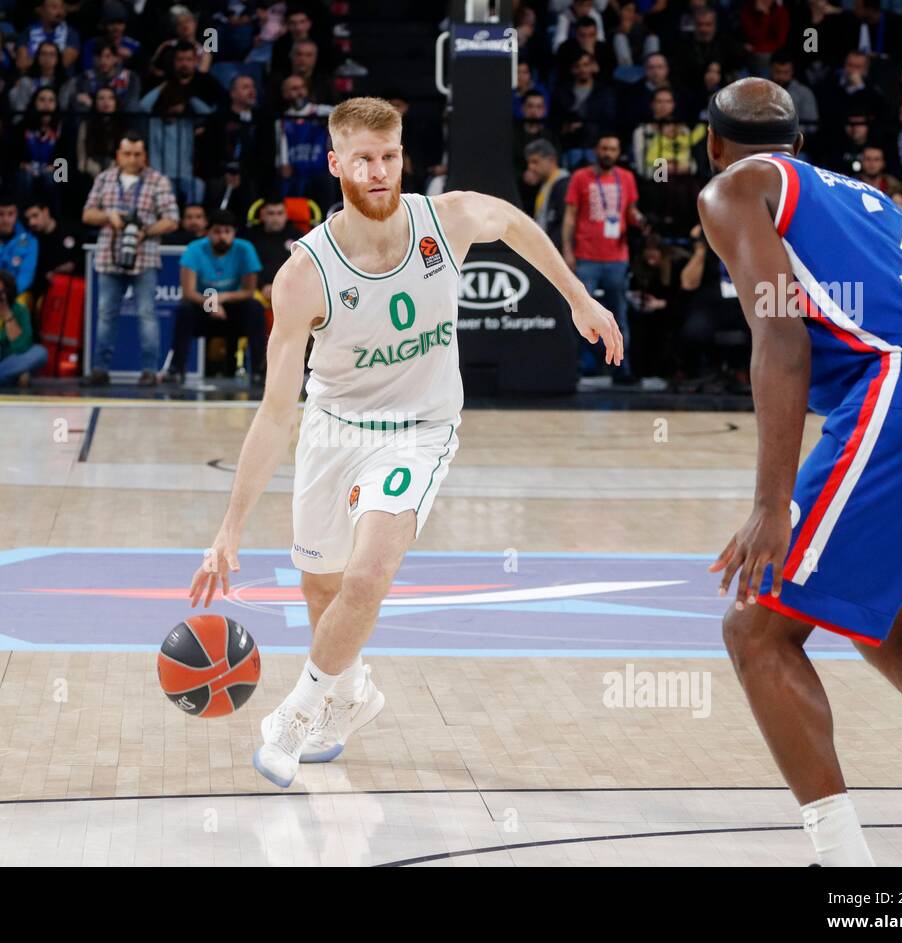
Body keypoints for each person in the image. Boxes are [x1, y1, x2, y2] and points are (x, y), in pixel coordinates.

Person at [185, 97, 620, 789]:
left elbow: (511, 222)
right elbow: (275, 413)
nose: (380, 171)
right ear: (335, 164)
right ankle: (351, 695)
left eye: (389, 157)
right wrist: (230, 526)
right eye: (363, 159)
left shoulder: (442, 220)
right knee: (323, 586)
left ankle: (293, 718)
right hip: (333, 429)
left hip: (420, 431)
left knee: (367, 576)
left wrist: (577, 297)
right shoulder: (304, 274)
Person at [696, 77, 902, 867]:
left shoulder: (735, 185)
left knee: (756, 631)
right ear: (800, 142)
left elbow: (782, 339)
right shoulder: (867, 197)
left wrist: (772, 503)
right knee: (886, 623)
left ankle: (842, 864)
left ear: (710, 143)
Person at [80, 131, 179, 386]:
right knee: (105, 315)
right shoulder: (104, 179)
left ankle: (148, 371)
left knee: (147, 314)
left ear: (144, 155)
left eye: (137, 154)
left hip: (143, 257)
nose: (132, 159)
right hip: (108, 256)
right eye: (127, 154)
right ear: (118, 155)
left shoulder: (158, 181)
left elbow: (171, 219)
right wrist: (109, 217)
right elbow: (87, 214)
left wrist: (144, 231)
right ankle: (100, 369)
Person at [563, 133, 645, 382]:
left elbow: (630, 211)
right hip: (586, 257)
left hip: (617, 258)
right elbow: (570, 216)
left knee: (619, 316)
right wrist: (567, 250)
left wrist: (640, 220)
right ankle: (573, 367)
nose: (607, 153)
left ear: (619, 153)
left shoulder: (627, 178)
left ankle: (622, 368)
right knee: (579, 312)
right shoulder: (581, 177)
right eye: (604, 148)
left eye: (612, 149)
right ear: (596, 151)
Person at [164, 208, 265, 383]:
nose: (222, 237)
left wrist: (221, 299)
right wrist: (211, 304)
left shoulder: (245, 249)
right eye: (217, 232)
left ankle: (260, 371)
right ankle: (176, 369)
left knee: (255, 308)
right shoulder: (194, 249)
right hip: (201, 306)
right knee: (184, 310)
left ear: (234, 233)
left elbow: (249, 290)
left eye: (227, 232)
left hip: (232, 307)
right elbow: (188, 292)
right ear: (208, 233)